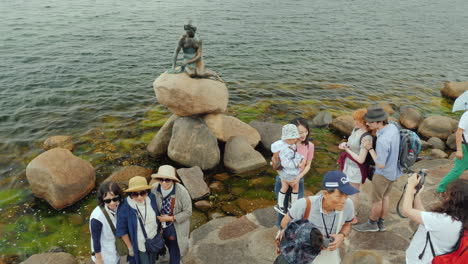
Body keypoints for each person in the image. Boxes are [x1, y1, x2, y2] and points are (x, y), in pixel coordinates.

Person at [281, 171, 358, 263]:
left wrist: (341, 236)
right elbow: (284, 225)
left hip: (329, 254)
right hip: (303, 254)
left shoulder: (348, 205)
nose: (344, 200)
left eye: (346, 195)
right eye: (339, 196)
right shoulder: (303, 205)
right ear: (325, 194)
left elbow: (347, 225)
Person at [354, 105, 402, 232]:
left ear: (379, 121)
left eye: (370, 122)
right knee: (385, 197)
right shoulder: (392, 127)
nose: (367, 123)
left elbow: (380, 164)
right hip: (393, 171)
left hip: (382, 174)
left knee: (376, 201)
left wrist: (370, 148)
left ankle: (372, 224)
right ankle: (381, 222)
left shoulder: (382, 140)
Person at [403, 175, 467, 263]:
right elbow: (424, 218)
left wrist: (410, 186)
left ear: (453, 199)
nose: (444, 194)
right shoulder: (460, 219)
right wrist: (416, 195)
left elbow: (407, 210)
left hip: (421, 261)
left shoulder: (444, 221)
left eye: (447, 193)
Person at [274, 118, 315, 226]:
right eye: (300, 132)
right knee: (282, 208)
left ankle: (292, 230)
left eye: (305, 131)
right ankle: (280, 229)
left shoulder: (309, 146)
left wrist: (298, 177)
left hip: (298, 179)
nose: (303, 135)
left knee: (296, 208)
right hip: (282, 178)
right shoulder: (284, 145)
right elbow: (275, 163)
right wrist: (284, 177)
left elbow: (308, 165)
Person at [151, 165, 192, 264]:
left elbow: (188, 211)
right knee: (161, 245)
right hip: (160, 227)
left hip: (174, 227)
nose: (164, 183)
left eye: (167, 180)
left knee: (174, 249)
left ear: (173, 180)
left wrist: (171, 218)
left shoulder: (182, 192)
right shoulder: (154, 189)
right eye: (161, 179)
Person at [116, 176, 163, 264]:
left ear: (147, 191)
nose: (139, 197)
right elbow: (121, 230)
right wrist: (130, 248)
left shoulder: (151, 198)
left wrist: (160, 232)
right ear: (130, 194)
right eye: (135, 194)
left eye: (142, 193)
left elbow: (158, 215)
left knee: (153, 261)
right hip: (139, 244)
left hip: (153, 240)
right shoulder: (125, 207)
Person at [337, 109, 373, 223]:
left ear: (363, 122)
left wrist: (347, 150)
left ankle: (353, 214)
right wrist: (345, 145)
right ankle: (347, 209)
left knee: (353, 192)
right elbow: (350, 142)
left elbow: (361, 159)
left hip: (356, 168)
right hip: (348, 164)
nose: (353, 121)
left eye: (355, 119)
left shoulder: (366, 138)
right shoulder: (355, 129)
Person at [272, 124, 305, 215]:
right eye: (294, 138)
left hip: (283, 173)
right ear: (287, 139)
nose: (296, 140)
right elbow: (286, 163)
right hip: (289, 173)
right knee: (295, 187)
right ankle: (293, 205)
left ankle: (280, 205)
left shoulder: (288, 146)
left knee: (284, 187)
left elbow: (293, 156)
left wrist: (300, 157)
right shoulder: (285, 149)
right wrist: (298, 164)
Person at [90, 181, 125, 264]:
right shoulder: (97, 217)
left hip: (115, 250)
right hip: (105, 256)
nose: (112, 203)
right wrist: (98, 259)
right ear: (102, 199)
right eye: (108, 201)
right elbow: (96, 240)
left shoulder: (120, 205)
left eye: (115, 199)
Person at [437, 109, 468, 193]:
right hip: (465, 146)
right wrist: (459, 150)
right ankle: (440, 189)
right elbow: (459, 132)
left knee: (462, 168)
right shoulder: (466, 115)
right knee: (457, 170)